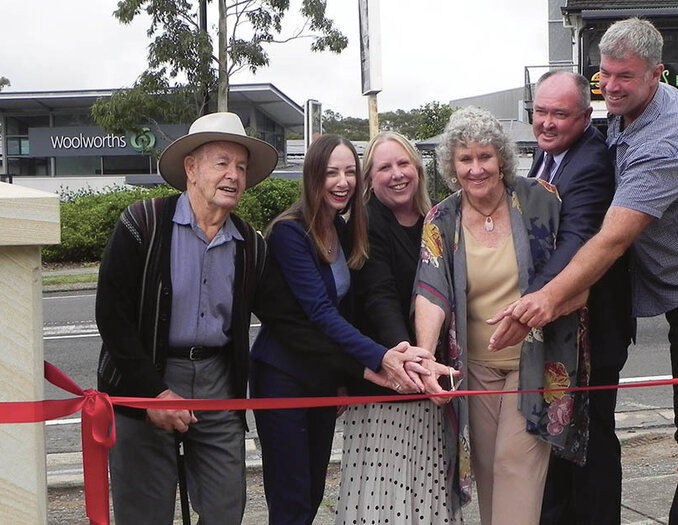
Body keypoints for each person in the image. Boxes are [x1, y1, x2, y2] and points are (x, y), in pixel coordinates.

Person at [491, 18, 678, 525]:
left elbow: (610, 238)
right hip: (652, 284)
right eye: (605, 75)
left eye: (626, 77)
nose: (612, 87)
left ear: (657, 75)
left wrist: (544, 302)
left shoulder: (666, 142)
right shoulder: (622, 109)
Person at [95, 111, 277, 524]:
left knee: (225, 506)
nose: (233, 175)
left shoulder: (250, 244)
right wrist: (153, 393)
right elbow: (112, 315)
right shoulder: (141, 224)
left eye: (242, 167)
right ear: (191, 169)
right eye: (222, 163)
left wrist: (367, 360)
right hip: (143, 379)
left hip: (217, 383)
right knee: (144, 513)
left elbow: (287, 319)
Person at [249, 134, 439, 525]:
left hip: (321, 377)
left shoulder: (343, 227)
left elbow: (353, 308)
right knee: (291, 497)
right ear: (312, 177)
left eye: (350, 171)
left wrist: (343, 379)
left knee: (314, 492)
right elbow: (319, 312)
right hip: (283, 378)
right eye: (331, 172)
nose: (342, 182)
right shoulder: (290, 232)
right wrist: (380, 357)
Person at [414, 106, 590, 525]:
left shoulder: (541, 200)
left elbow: (577, 268)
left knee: (516, 467)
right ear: (451, 166)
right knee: (491, 475)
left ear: (502, 159)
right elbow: (431, 289)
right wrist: (424, 355)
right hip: (474, 368)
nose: (476, 168)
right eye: (465, 159)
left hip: (535, 364)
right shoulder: (442, 217)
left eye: (485, 156)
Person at [518, 71, 635, 525]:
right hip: (562, 332)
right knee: (559, 441)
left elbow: (576, 241)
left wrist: (530, 302)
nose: (546, 123)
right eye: (540, 112)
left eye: (559, 114)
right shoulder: (547, 155)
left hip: (593, 333)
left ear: (587, 117)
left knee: (592, 445)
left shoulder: (590, 162)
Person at [336, 131, 462, 524]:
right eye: (384, 167)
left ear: (418, 169)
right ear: (369, 179)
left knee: (425, 487)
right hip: (389, 377)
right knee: (385, 495)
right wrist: (408, 357)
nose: (396, 174)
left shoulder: (437, 220)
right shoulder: (368, 222)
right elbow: (379, 295)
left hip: (429, 377)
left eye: (403, 163)